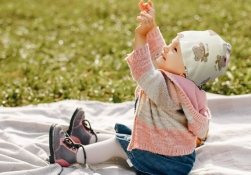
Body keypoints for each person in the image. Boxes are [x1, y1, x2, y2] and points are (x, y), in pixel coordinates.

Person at [48, 0, 231, 174]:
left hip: (167, 163)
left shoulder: (170, 91)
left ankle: (71, 155)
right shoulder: (187, 86)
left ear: (188, 71)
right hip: (175, 157)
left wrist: (141, 35)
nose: (166, 48)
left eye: (174, 49)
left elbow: (142, 70)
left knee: (118, 143)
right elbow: (159, 52)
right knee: (131, 138)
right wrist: (152, 27)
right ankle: (87, 139)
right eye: (172, 44)